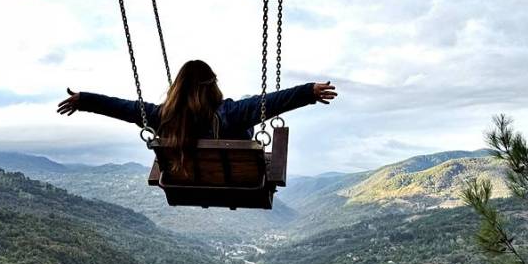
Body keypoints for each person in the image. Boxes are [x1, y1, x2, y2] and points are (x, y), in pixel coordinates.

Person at [57, 59, 337, 176]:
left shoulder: (163, 116)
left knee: (250, 110)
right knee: (252, 111)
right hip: (240, 179)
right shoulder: (230, 114)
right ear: (212, 86)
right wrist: (308, 92)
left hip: (187, 180)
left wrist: (85, 101)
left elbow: (124, 108)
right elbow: (270, 102)